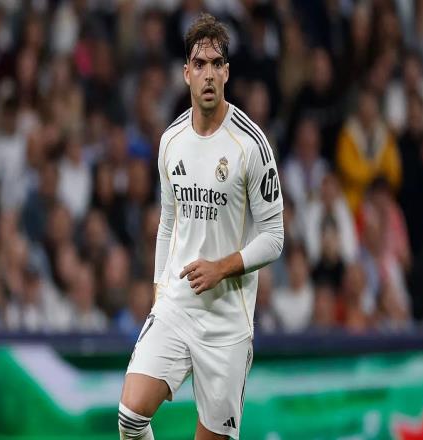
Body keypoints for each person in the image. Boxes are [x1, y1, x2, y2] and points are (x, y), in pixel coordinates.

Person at [118, 13, 284, 440]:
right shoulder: (171, 141)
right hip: (177, 305)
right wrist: (160, 288)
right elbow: (168, 222)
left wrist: (221, 268)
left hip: (227, 322)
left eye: (216, 64)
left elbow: (274, 237)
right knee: (130, 416)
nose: (208, 74)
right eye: (199, 64)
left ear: (226, 72)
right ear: (186, 73)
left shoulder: (251, 145)